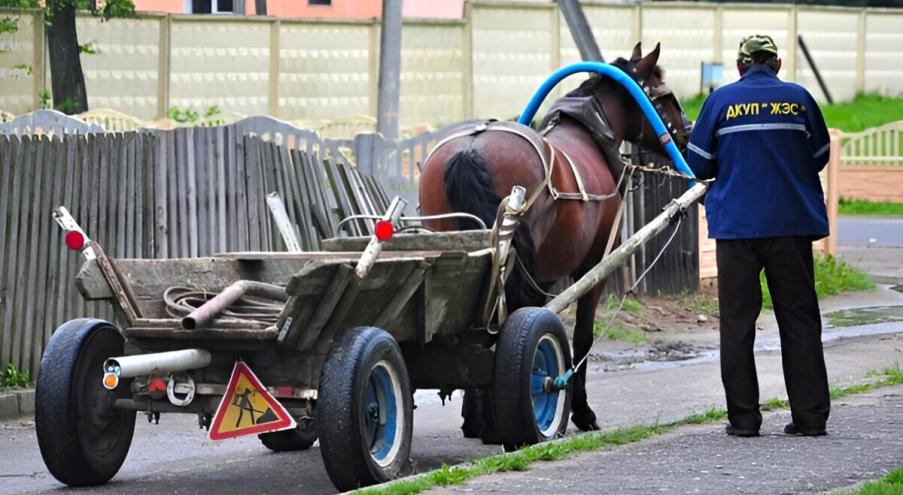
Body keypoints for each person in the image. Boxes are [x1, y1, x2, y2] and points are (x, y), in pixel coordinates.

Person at [685, 34, 831, 437]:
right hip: (791, 226)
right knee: (799, 320)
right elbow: (821, 156)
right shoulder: (799, 99)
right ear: (778, 64)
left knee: (737, 323)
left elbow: (698, 165)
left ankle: (745, 420)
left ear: (739, 66)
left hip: (737, 229)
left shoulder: (719, 102)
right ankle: (811, 418)